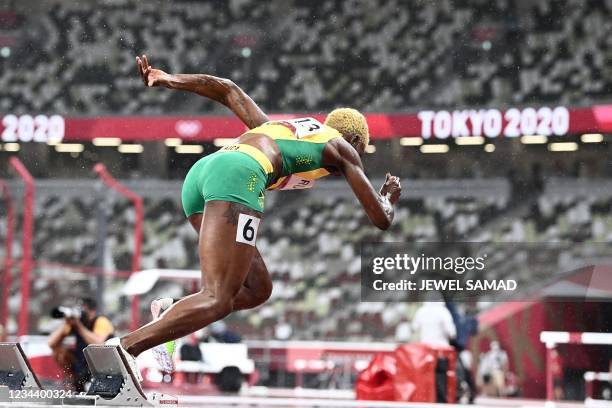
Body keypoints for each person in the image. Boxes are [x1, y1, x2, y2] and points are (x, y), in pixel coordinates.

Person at [108, 55, 402, 377]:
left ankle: (170, 310)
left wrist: (167, 78)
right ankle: (123, 350)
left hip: (203, 174)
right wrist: (387, 197)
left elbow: (227, 90)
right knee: (218, 298)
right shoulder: (341, 147)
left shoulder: (288, 129)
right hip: (239, 176)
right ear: (355, 142)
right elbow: (381, 219)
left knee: (257, 288)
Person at [48, 297, 114, 391]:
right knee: (59, 352)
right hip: (81, 362)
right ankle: (73, 382)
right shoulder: (76, 322)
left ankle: (85, 383)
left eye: (84, 311)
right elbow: (51, 343)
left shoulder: (101, 321)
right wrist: (66, 324)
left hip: (101, 364)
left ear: (93, 311)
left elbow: (98, 344)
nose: (82, 314)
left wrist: (79, 326)